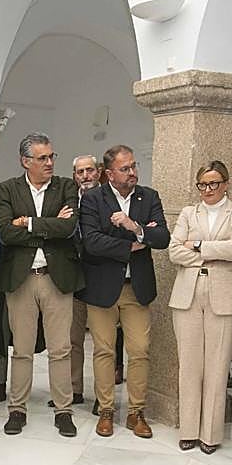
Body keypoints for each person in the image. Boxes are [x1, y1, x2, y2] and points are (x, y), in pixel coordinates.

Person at [0, 132, 83, 437]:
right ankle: (17, 409)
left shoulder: (66, 186)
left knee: (61, 349)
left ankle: (64, 411)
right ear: (25, 161)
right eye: (42, 158)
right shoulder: (8, 188)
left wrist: (28, 223)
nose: (49, 162)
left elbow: (69, 227)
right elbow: (6, 232)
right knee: (21, 349)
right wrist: (49, 225)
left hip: (56, 278)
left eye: (51, 156)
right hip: (21, 280)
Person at [78, 145, 169, 438]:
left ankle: (136, 412)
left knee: (139, 351)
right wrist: (132, 244)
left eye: (133, 166)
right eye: (125, 168)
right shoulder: (93, 198)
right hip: (102, 286)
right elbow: (91, 241)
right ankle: (105, 410)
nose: (132, 172)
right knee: (104, 350)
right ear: (109, 173)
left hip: (136, 287)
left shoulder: (149, 196)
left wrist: (133, 226)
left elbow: (162, 237)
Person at [168, 161, 232, 452]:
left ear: (226, 184)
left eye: (214, 183)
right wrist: (207, 253)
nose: (208, 190)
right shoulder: (189, 213)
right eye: (202, 184)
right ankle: (189, 430)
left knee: (218, 368)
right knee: (189, 366)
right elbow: (174, 250)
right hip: (187, 295)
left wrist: (198, 245)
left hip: (225, 297)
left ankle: (210, 435)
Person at [56, 154, 100, 408]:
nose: (85, 176)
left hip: (101, 277)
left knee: (102, 342)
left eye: (90, 170)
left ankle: (101, 395)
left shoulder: (108, 199)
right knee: (72, 339)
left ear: (99, 172)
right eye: (80, 172)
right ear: (74, 176)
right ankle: (74, 390)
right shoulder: (68, 202)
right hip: (73, 278)